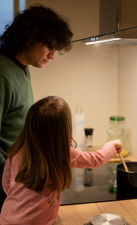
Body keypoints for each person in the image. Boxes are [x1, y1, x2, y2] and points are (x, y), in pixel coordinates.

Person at [0, 96, 122, 225]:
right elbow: (96, 160)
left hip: (7, 217)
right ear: (64, 130)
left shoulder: (17, 148)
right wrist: (112, 145)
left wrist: (22, 201)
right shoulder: (62, 153)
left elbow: (7, 184)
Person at [0, 5, 73, 210]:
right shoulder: (2, 75)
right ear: (29, 38)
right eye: (50, 47)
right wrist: (17, 182)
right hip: (7, 188)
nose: (52, 55)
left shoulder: (20, 68)